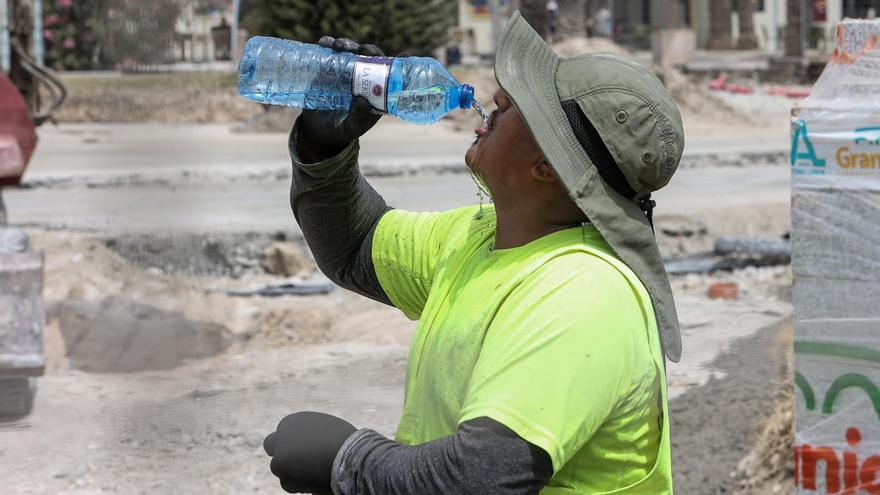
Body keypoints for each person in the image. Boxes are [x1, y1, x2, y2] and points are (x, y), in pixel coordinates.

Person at [262, 10, 684, 495]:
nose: (496, 100)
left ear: (547, 166)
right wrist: (323, 147)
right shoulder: (484, 235)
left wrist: (346, 461)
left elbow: (485, 475)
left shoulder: (585, 292)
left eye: (520, 103)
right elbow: (355, 246)